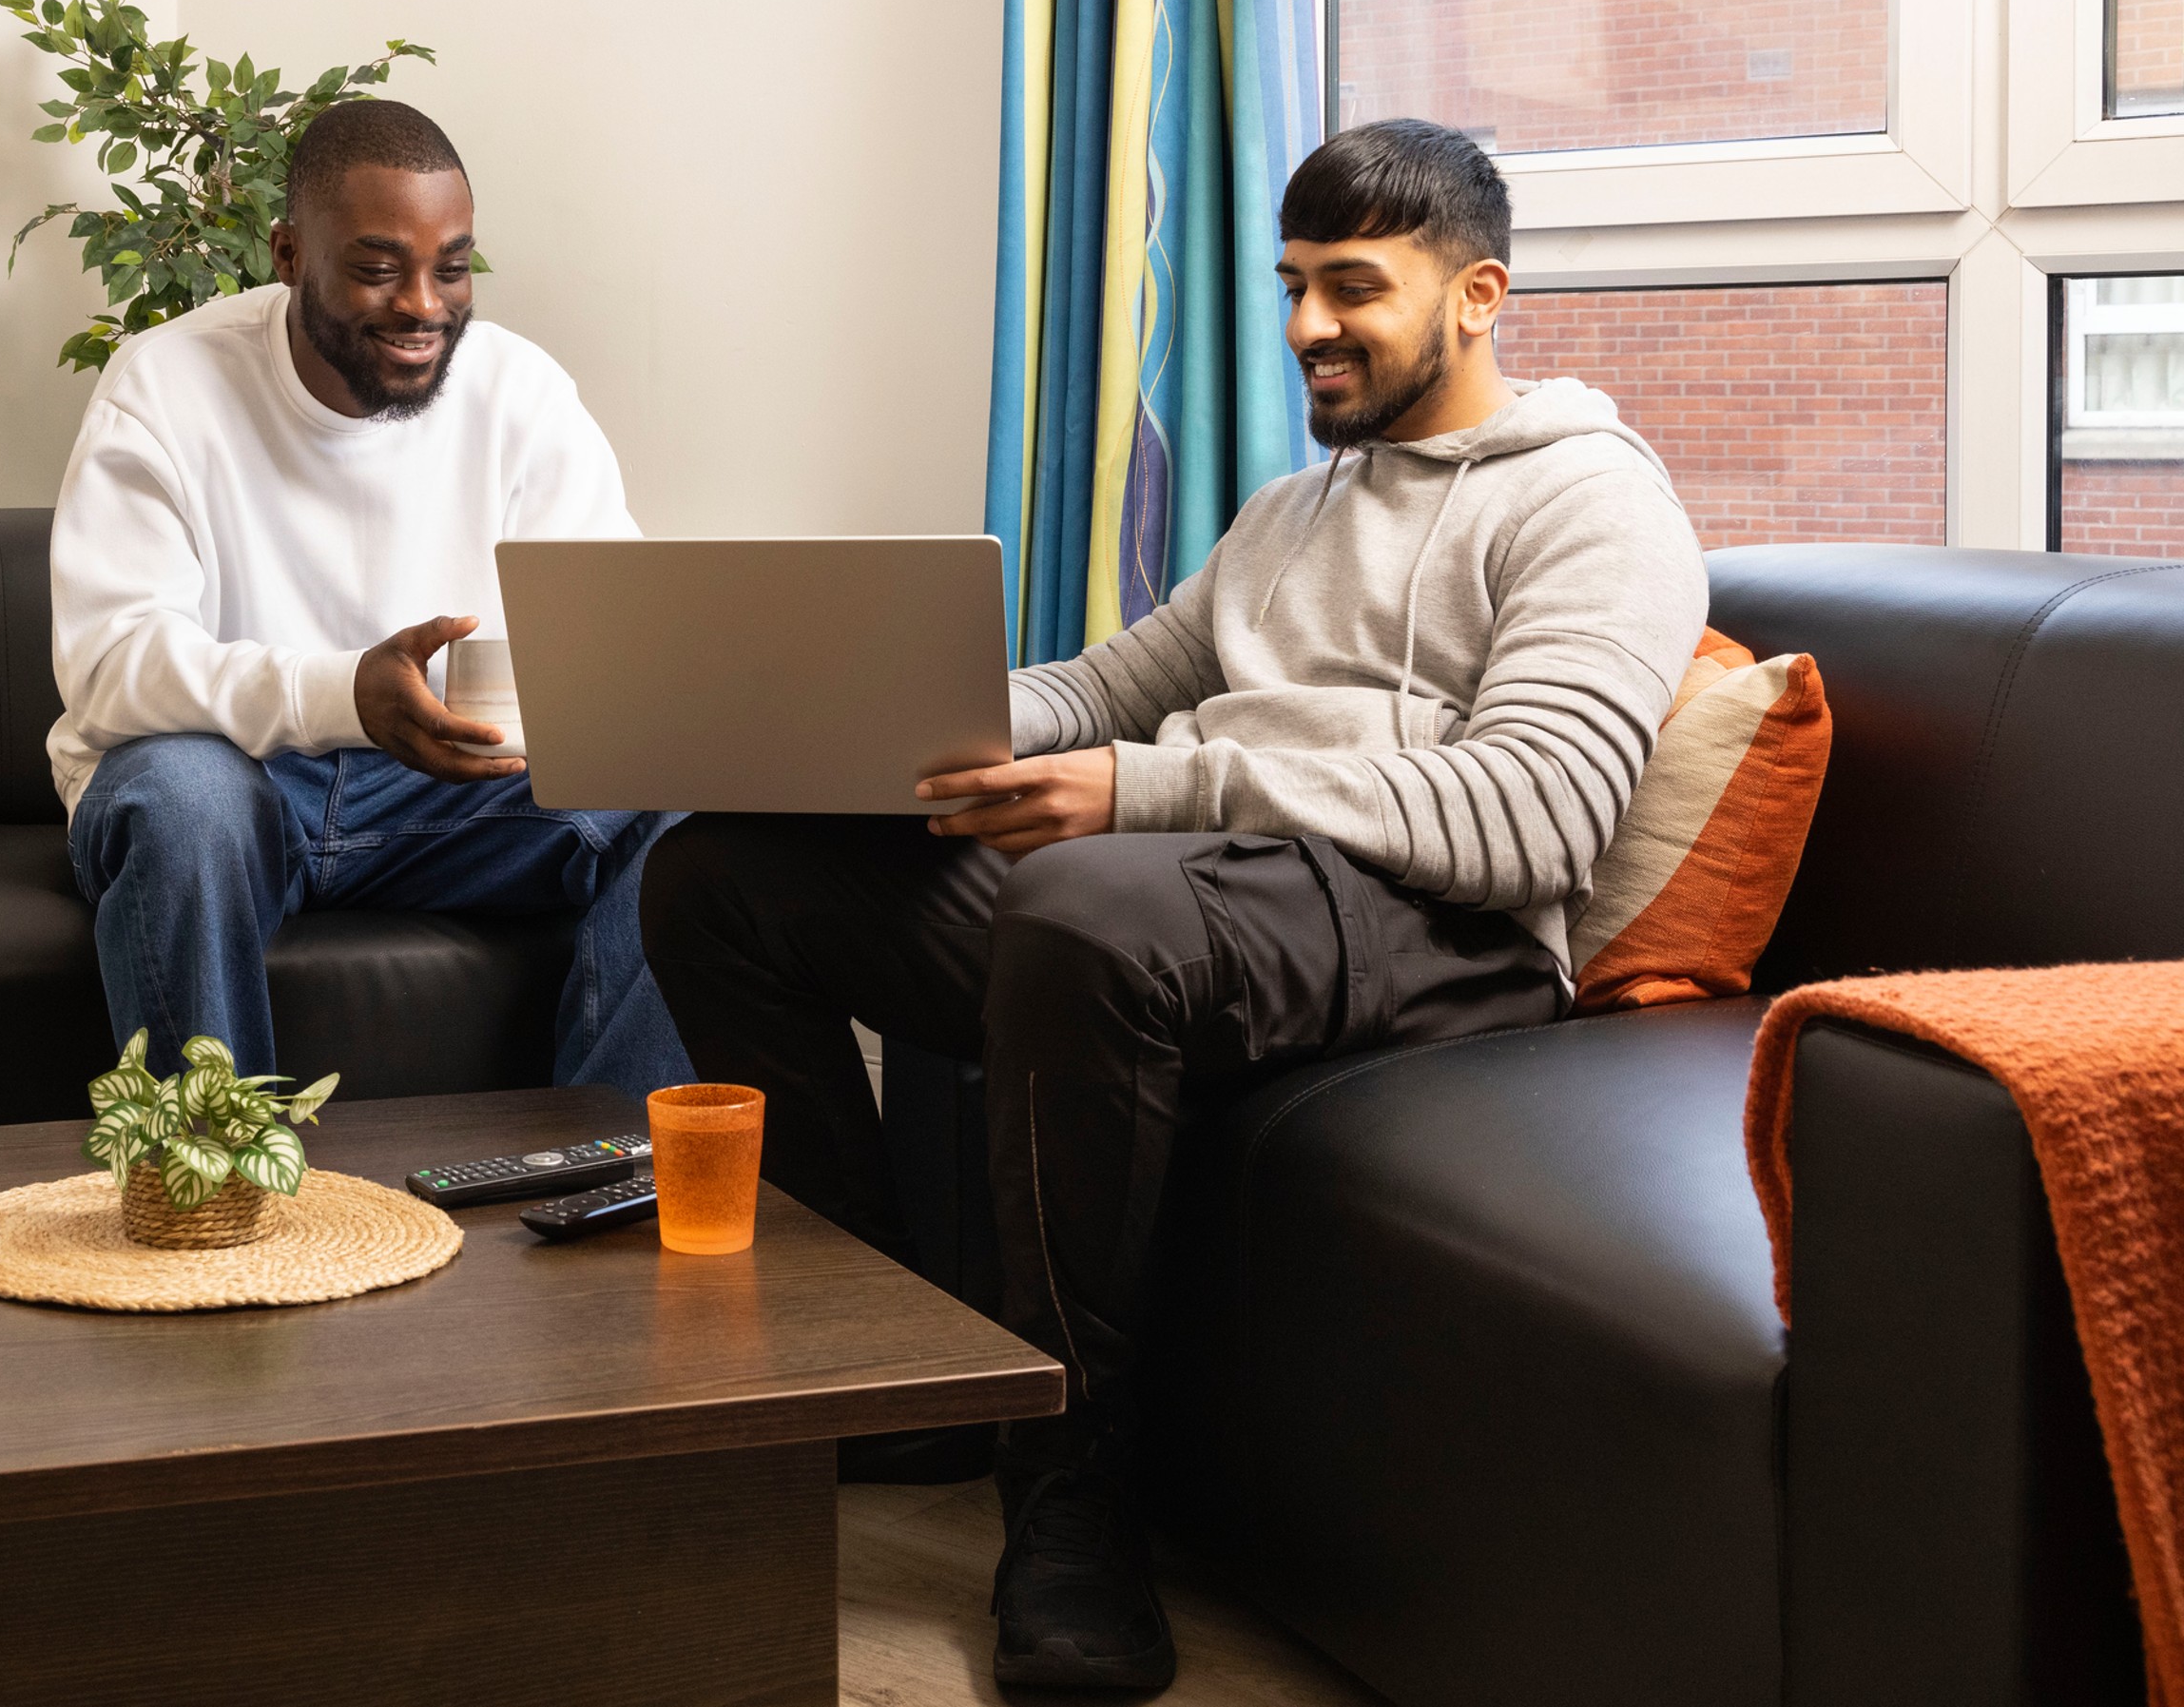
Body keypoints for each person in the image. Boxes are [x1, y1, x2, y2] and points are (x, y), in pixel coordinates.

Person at [639, 119, 1705, 1692]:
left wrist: (1146, 790)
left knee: (1085, 911)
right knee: (721, 874)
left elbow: (1533, 821)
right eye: (1291, 286)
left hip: (1425, 933)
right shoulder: (1293, 514)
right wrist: (877, 725)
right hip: (1197, 904)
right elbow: (1102, 688)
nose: (1306, 328)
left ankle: (1072, 1505)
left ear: (1479, 294)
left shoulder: (1591, 507)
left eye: (1354, 287)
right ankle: (894, 1379)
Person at [48, 98, 692, 1094]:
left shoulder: (521, 393)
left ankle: (601, 1173)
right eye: (379, 267)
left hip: (442, 795)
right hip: (237, 785)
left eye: (453, 265)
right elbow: (109, 667)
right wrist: (346, 693)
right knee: (185, 797)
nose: (425, 305)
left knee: (683, 791)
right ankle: (214, 1192)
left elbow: (618, 641)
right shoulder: (165, 386)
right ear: (288, 252)